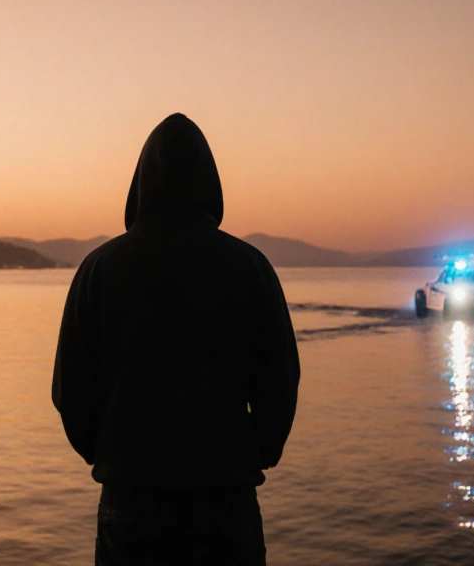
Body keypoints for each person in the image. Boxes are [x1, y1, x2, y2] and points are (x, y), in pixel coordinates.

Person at [53, 113, 301, 565]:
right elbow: (280, 386)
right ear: (210, 183)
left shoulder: (99, 270)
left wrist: (111, 453)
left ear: (140, 184)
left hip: (130, 506)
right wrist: (258, 452)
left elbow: (70, 393)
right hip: (226, 506)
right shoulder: (249, 268)